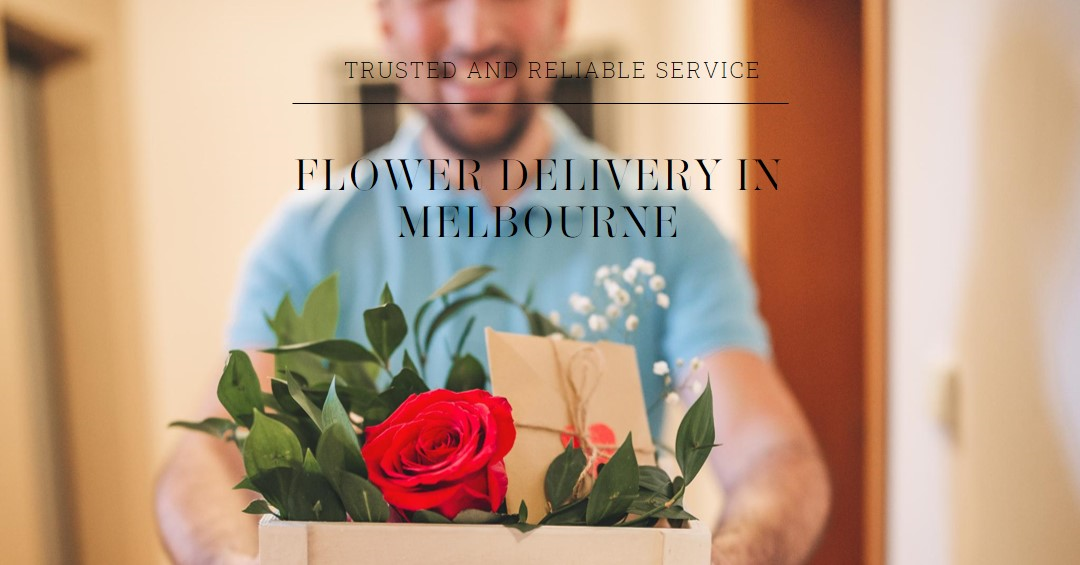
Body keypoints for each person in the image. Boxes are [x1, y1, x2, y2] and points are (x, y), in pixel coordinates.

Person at [155, 0, 830, 563]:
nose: (474, 33)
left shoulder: (671, 228)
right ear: (386, 24)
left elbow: (772, 453)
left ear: (561, 15)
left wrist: (730, 556)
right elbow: (208, 459)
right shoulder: (308, 240)